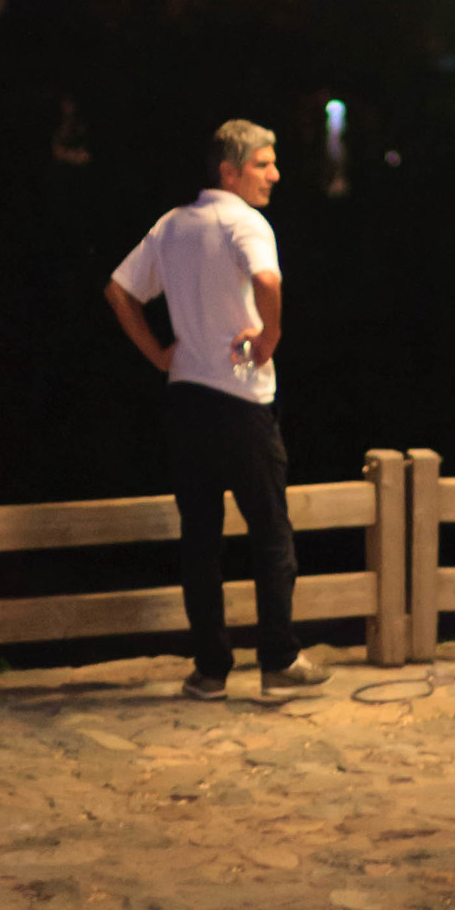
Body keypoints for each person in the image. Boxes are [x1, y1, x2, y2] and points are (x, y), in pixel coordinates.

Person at [105, 119, 328, 701]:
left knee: (200, 541)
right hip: (242, 401)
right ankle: (278, 658)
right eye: (263, 164)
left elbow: (119, 291)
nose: (274, 174)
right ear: (230, 172)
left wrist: (159, 354)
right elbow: (267, 280)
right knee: (271, 534)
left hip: (185, 400)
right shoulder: (245, 222)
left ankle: (210, 670)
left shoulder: (172, 225)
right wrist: (270, 338)